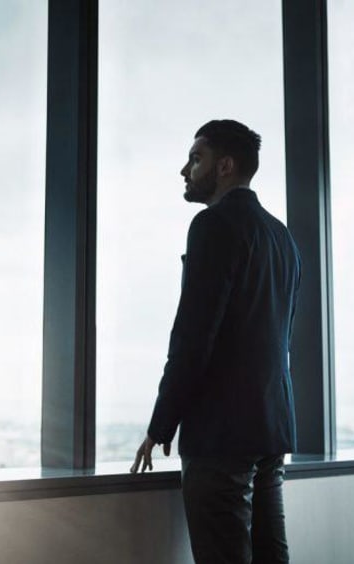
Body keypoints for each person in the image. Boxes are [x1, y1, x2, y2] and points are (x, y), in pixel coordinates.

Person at [130, 119, 301, 564]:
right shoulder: (281, 237)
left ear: (224, 166)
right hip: (270, 428)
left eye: (195, 158)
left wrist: (160, 425)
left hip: (222, 436)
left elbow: (193, 337)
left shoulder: (212, 225)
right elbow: (279, 336)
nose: (184, 170)